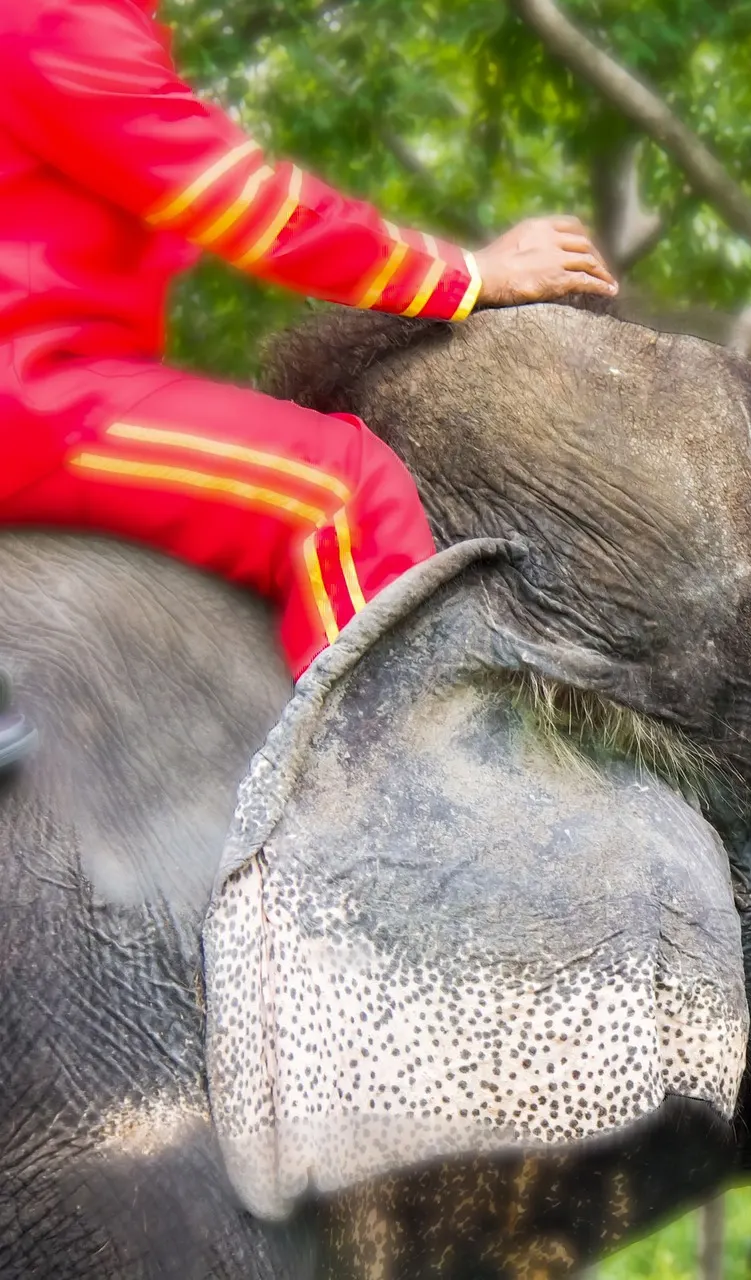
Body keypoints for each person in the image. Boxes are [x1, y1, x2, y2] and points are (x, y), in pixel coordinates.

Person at [0, 0, 619, 773]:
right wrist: (471, 274)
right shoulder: (56, 21)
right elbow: (247, 207)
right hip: (34, 396)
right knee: (342, 492)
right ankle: (387, 818)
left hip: (53, 378)